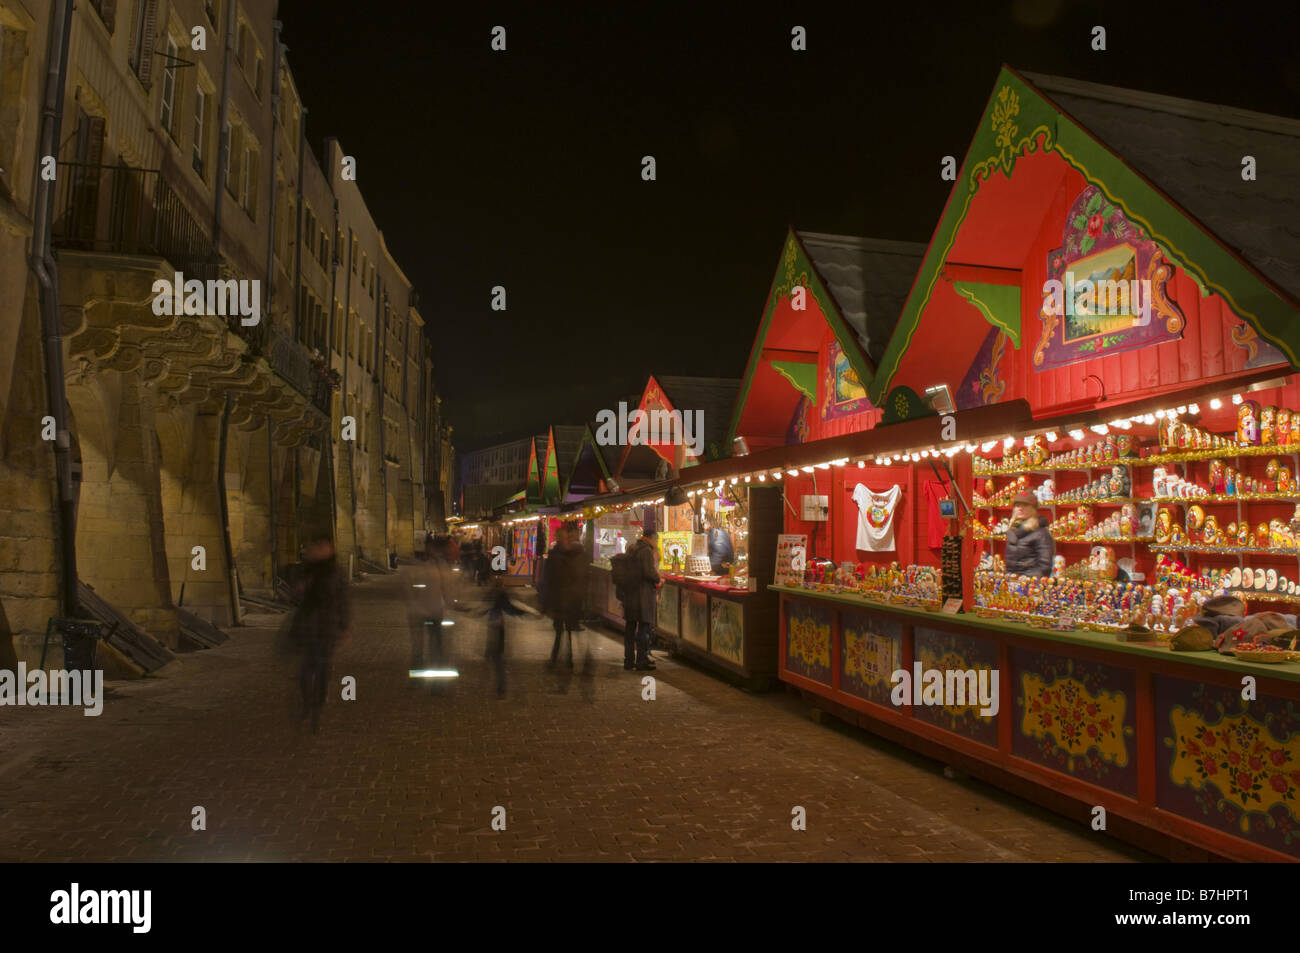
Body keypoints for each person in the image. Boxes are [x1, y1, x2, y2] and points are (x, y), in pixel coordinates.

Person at [289, 538, 351, 733]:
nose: (318, 551)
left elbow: (343, 600)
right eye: (316, 547)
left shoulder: (335, 573)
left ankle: (317, 706)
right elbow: (296, 595)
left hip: (327, 628)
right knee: (305, 671)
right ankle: (308, 701)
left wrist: (345, 626)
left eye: (323, 547)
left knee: (323, 668)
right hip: (308, 627)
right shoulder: (306, 570)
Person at [402, 536, 449, 693]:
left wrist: (452, 601)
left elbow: (447, 587)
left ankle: (437, 683)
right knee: (418, 647)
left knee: (435, 647)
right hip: (419, 612)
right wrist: (412, 604)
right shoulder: (418, 564)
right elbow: (409, 587)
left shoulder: (440, 565)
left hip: (435, 611)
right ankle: (417, 680)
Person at [543, 523, 589, 668]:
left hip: (567, 600)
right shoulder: (572, 554)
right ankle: (566, 657)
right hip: (567, 599)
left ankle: (560, 658)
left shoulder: (562, 554)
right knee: (564, 631)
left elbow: (549, 578)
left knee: (563, 632)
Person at [483, 574, 527, 697]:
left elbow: (484, 607)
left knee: (496, 658)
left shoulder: (492, 594)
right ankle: (501, 687)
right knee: (498, 658)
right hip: (498, 628)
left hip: (493, 627)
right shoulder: (501, 594)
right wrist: (524, 612)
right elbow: (510, 608)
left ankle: (499, 686)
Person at [628, 528, 661, 670]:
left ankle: (628, 660)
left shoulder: (633, 548)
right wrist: (658, 577)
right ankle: (641, 659)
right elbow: (649, 572)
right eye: (657, 539)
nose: (657, 542)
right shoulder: (646, 551)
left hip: (631, 594)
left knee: (630, 628)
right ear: (652, 538)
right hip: (643, 595)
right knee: (644, 627)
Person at [1006, 492, 1055, 577]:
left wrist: (1024, 579)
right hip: (1012, 583)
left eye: (1025, 505)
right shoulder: (1012, 530)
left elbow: (1044, 567)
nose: (1020, 509)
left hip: (1030, 584)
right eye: (1017, 505)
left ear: (1033, 509)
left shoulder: (1041, 533)